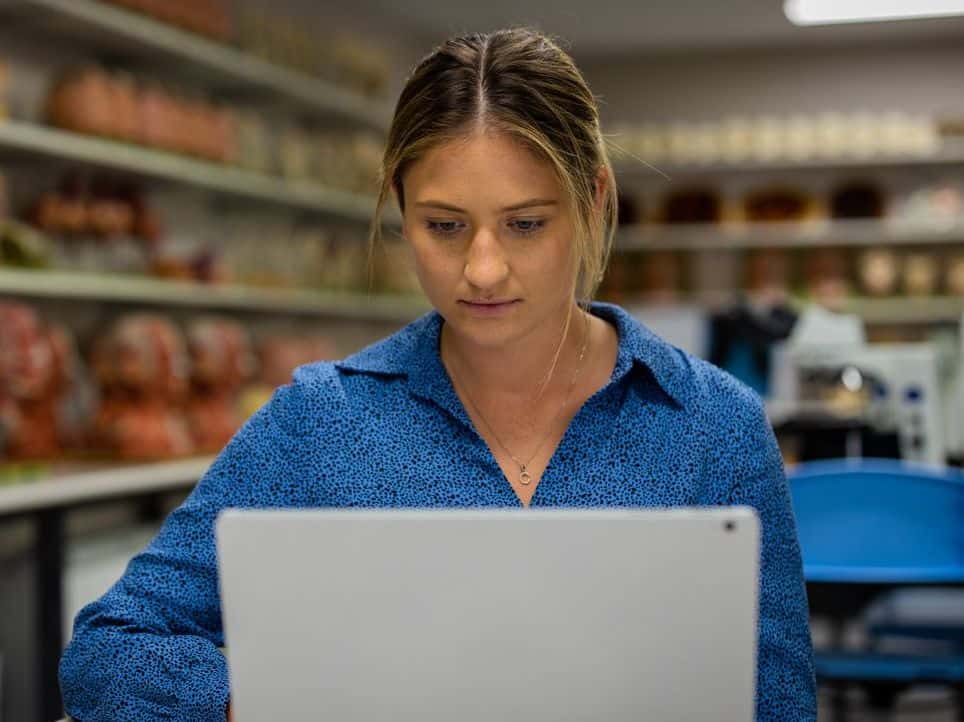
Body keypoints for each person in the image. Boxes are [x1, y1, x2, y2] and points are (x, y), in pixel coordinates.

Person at [59, 28, 816, 722]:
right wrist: (256, 703)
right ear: (400, 209)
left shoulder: (711, 425)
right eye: (444, 226)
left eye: (526, 223)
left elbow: (778, 704)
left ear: (594, 201)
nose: (482, 269)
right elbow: (107, 644)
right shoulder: (323, 422)